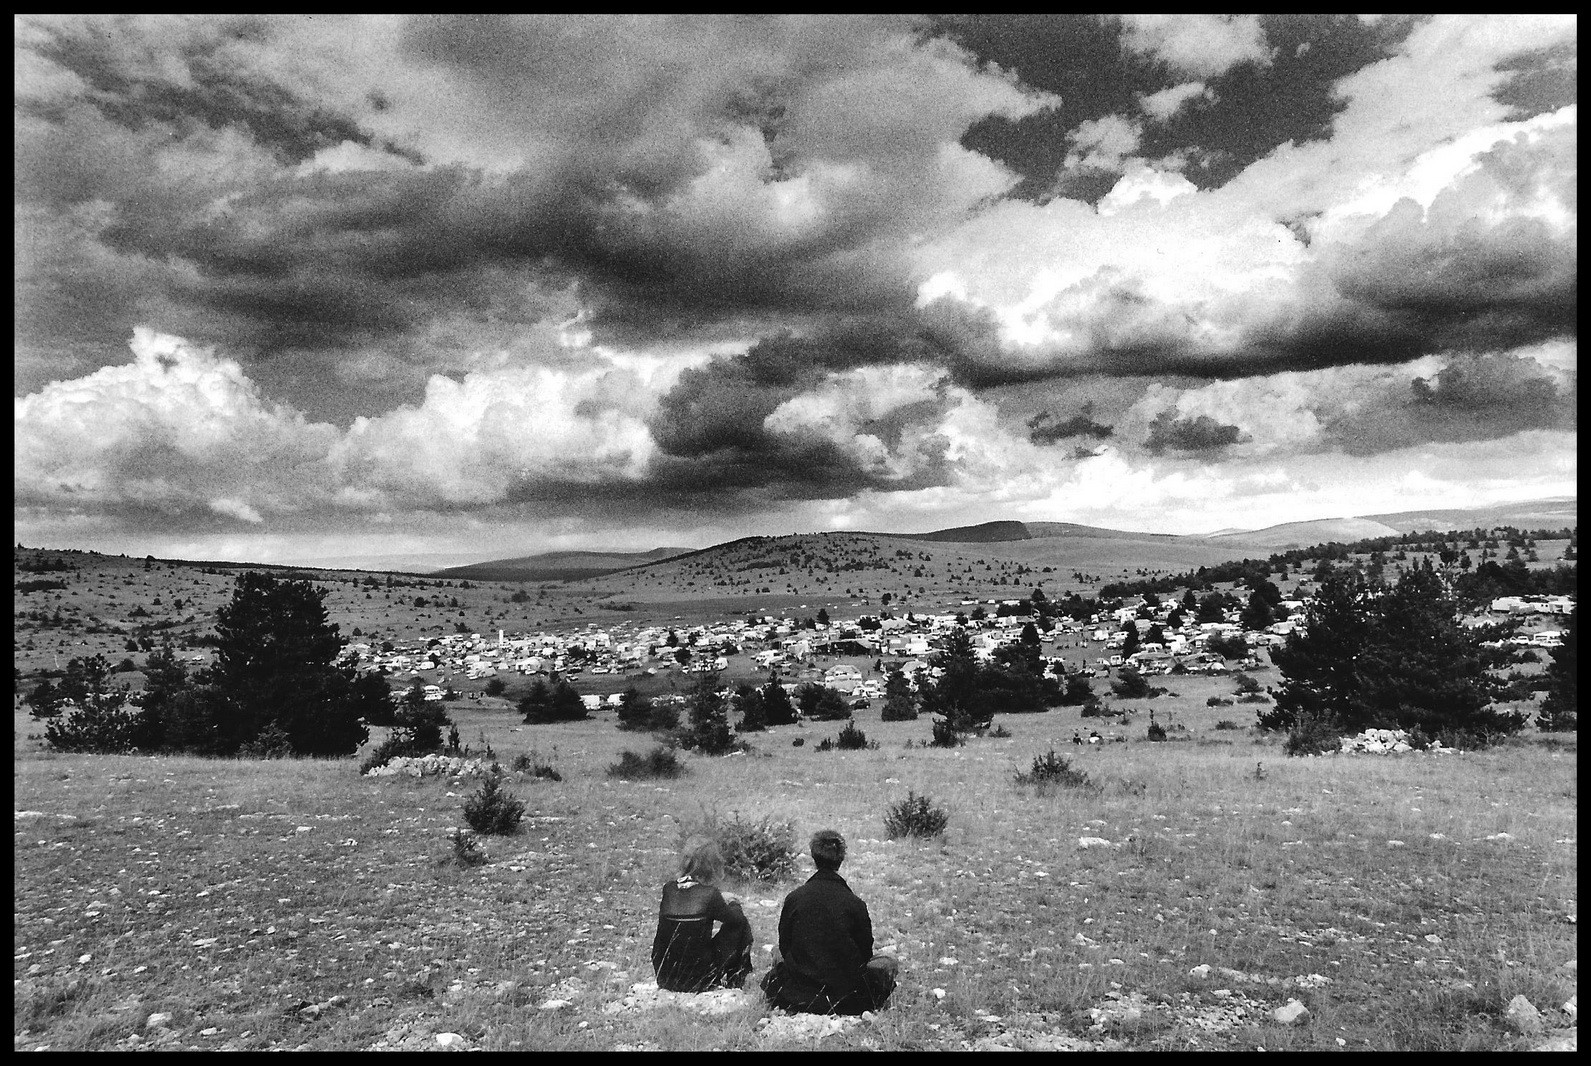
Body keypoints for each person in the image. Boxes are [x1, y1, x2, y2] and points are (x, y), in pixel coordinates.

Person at [760, 829, 897, 1015]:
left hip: (797, 994)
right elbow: (865, 953)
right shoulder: (855, 903)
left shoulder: (794, 898)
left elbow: (785, 946)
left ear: (814, 857)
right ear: (840, 860)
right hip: (846, 998)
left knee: (776, 953)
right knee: (887, 962)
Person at [652, 838, 754, 992]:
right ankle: (735, 980)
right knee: (740, 924)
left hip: (666, 977)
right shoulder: (710, 895)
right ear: (711, 865)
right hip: (698, 980)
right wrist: (733, 902)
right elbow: (736, 921)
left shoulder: (669, 889)